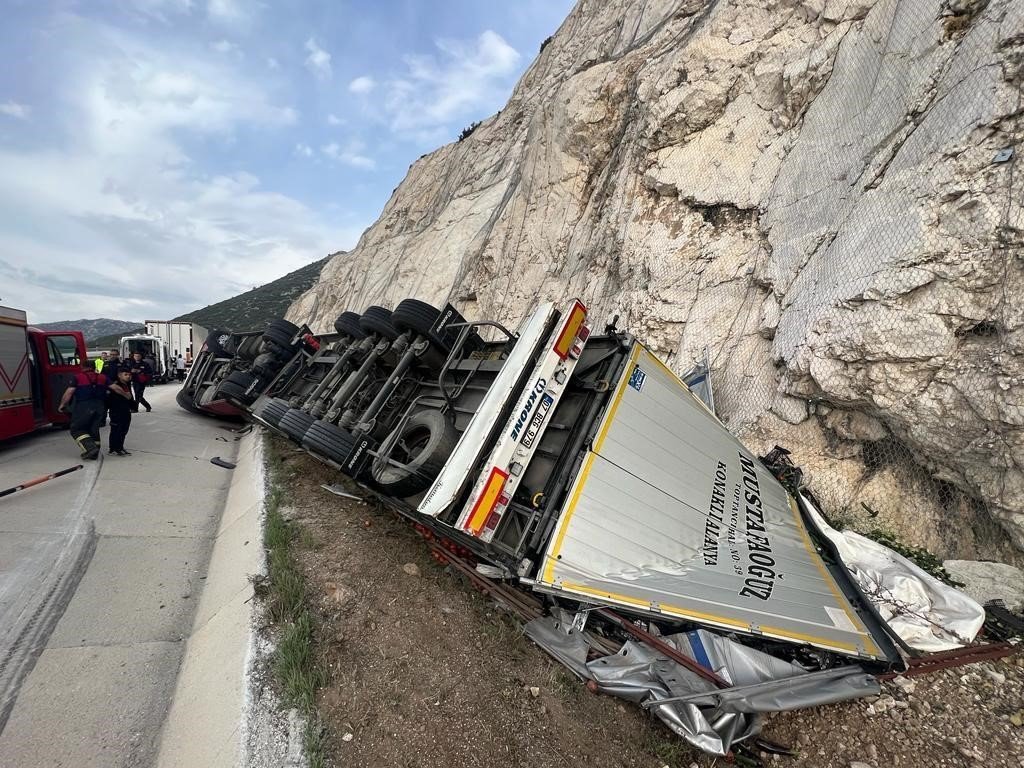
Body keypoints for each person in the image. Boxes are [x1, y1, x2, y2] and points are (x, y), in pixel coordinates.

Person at [58, 362, 109, 460]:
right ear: (94, 367)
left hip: (84, 406)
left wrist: (62, 405)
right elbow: (115, 388)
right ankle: (95, 452)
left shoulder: (77, 377)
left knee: (77, 429)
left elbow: (69, 393)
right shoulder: (103, 377)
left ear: (82, 367)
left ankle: (91, 449)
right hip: (100, 406)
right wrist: (126, 395)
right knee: (93, 429)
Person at [107, 369, 135, 455]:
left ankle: (120, 447)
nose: (128, 376)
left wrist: (132, 406)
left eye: (129, 375)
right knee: (116, 429)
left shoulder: (126, 384)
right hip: (116, 410)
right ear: (119, 375)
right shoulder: (115, 385)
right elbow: (110, 398)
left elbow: (130, 397)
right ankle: (113, 449)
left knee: (124, 430)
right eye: (125, 374)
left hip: (125, 410)